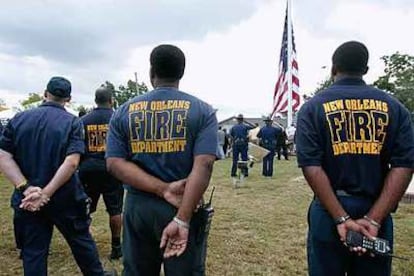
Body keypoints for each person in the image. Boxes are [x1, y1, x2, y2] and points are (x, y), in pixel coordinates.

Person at [296, 41, 414, 276]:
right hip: (376, 206)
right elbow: (404, 165)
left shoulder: (312, 108)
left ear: (333, 68)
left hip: (329, 209)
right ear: (366, 70)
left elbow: (311, 165)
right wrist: (374, 220)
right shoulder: (395, 108)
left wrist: (341, 218)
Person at [105, 44, 218, 276]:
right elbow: (205, 163)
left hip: (139, 206)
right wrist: (183, 219)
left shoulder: (124, 111)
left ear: (151, 73)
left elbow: (114, 163)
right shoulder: (203, 111)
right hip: (185, 203)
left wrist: (161, 189)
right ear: (182, 72)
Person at [0, 77, 109, 275]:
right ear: (68, 98)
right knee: (81, 242)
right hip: (65, 197)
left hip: (27, 198)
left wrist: (25, 187)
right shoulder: (72, 122)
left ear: (44, 93)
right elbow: (72, 162)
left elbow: (3, 155)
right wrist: (46, 193)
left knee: (33, 252)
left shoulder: (19, 119)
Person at [79, 87, 124, 260]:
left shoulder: (83, 120)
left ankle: (86, 244)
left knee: (86, 208)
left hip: (88, 169)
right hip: (112, 168)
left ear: (95, 100)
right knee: (115, 209)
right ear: (111, 100)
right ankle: (116, 247)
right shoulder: (118, 118)